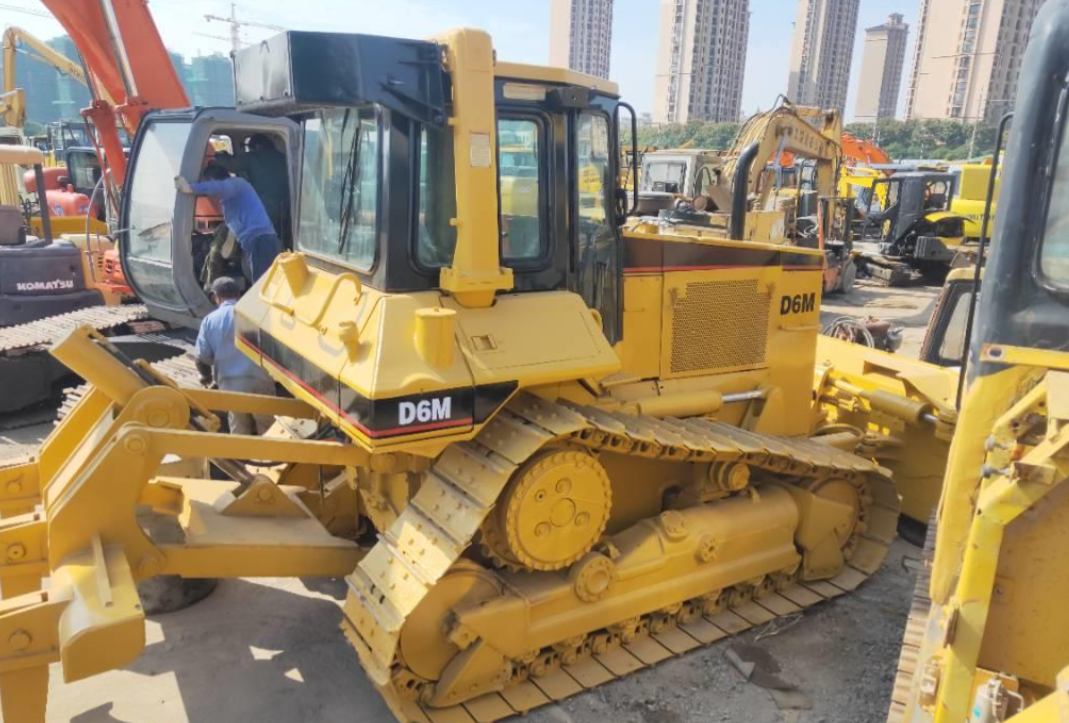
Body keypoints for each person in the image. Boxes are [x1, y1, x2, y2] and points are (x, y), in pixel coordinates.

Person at [195, 277, 276, 436]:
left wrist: (206, 377)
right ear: (239, 295)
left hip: (230, 385)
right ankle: (271, 459)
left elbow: (202, 356)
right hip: (260, 379)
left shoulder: (209, 321)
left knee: (239, 431)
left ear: (216, 297)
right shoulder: (255, 314)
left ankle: (243, 460)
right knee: (268, 430)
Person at [175, 164, 281, 282]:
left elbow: (221, 187)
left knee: (263, 285)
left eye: (207, 183)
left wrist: (189, 188)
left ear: (212, 180)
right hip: (251, 243)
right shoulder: (230, 200)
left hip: (260, 241)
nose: (210, 194)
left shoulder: (237, 184)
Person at [214, 134, 290, 246]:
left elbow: (230, 165)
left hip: (263, 207)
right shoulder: (283, 157)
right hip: (284, 208)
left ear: (257, 146)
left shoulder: (254, 156)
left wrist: (220, 156)